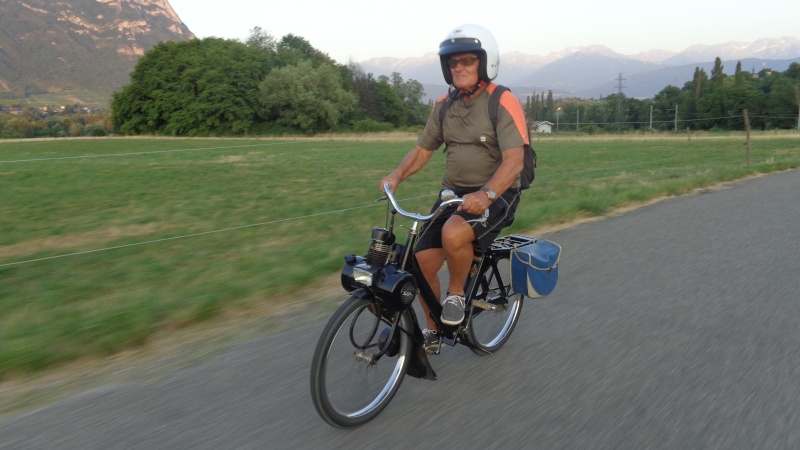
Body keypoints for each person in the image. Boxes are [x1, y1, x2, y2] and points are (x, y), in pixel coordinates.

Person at [379, 24, 530, 353]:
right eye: (453, 63)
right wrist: (396, 175)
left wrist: (487, 194)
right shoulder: (444, 105)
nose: (458, 67)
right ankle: (434, 331)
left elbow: (515, 161)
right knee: (418, 265)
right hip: (454, 194)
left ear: (484, 63)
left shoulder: (502, 101)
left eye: (467, 61)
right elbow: (422, 151)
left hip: (498, 193)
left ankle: (457, 295)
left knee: (454, 232)